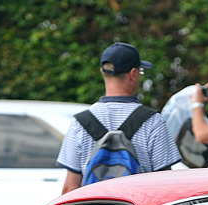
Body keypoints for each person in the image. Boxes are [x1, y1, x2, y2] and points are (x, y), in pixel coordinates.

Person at [57, 42, 180, 193]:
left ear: (102, 72)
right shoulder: (153, 121)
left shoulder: (79, 123)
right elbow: (166, 184)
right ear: (133, 73)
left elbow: (71, 187)